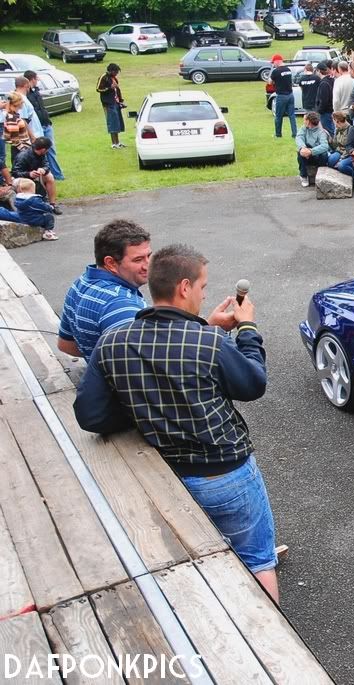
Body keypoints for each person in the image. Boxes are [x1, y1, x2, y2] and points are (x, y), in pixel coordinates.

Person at [74, 244, 280, 603]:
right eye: (202, 287)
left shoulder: (114, 341)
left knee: (191, 563)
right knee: (258, 560)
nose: (202, 295)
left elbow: (90, 416)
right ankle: (272, 651)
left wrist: (142, 401)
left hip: (164, 477)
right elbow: (252, 384)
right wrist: (247, 328)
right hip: (226, 476)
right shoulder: (210, 341)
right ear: (184, 287)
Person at [58, 220, 151, 359]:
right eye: (138, 260)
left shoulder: (80, 284)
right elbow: (136, 368)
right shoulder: (121, 305)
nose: (148, 265)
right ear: (111, 263)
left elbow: (65, 344)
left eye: (148, 256)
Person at [23, 71, 63, 180]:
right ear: (32, 79)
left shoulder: (36, 91)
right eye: (37, 78)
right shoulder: (26, 95)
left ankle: (57, 174)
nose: (38, 80)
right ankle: (45, 175)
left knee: (51, 150)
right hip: (37, 127)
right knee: (40, 152)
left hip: (46, 124)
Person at [13, 138, 60, 211]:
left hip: (36, 175)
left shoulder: (42, 154)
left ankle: (52, 204)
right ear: (43, 149)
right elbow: (15, 173)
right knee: (29, 183)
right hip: (22, 179)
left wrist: (43, 169)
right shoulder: (23, 156)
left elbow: (46, 164)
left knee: (50, 176)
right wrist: (29, 174)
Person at [96, 63, 126, 149]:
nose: (117, 73)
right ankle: (114, 144)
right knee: (112, 123)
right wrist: (109, 88)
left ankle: (118, 142)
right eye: (116, 71)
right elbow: (98, 89)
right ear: (111, 70)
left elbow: (117, 90)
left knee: (117, 123)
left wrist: (121, 101)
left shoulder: (114, 78)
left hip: (115, 102)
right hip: (108, 103)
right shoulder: (104, 77)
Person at [295, 112, 329, 187]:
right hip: (306, 154)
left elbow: (325, 146)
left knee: (324, 153)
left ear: (309, 121)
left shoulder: (321, 131)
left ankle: (321, 175)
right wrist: (303, 148)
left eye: (305, 120)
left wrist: (311, 151)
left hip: (316, 156)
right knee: (300, 152)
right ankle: (304, 176)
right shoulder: (304, 128)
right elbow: (299, 137)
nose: (304, 121)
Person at [269, 55, 296, 139]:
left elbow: (269, 82)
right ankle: (295, 133)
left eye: (273, 63)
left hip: (281, 96)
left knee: (278, 116)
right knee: (292, 115)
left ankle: (278, 134)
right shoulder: (288, 70)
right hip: (290, 95)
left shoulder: (275, 71)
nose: (273, 64)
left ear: (277, 61)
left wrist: (272, 72)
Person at [3, 92, 33, 162]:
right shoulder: (12, 118)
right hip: (20, 151)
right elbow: (15, 140)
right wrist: (25, 151)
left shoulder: (14, 115)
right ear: (18, 103)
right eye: (22, 101)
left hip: (21, 149)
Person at [314, 61, 335, 135]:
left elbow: (324, 100)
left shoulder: (324, 83)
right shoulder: (331, 80)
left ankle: (332, 146)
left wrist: (319, 110)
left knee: (328, 132)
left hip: (326, 112)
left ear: (319, 71)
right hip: (330, 110)